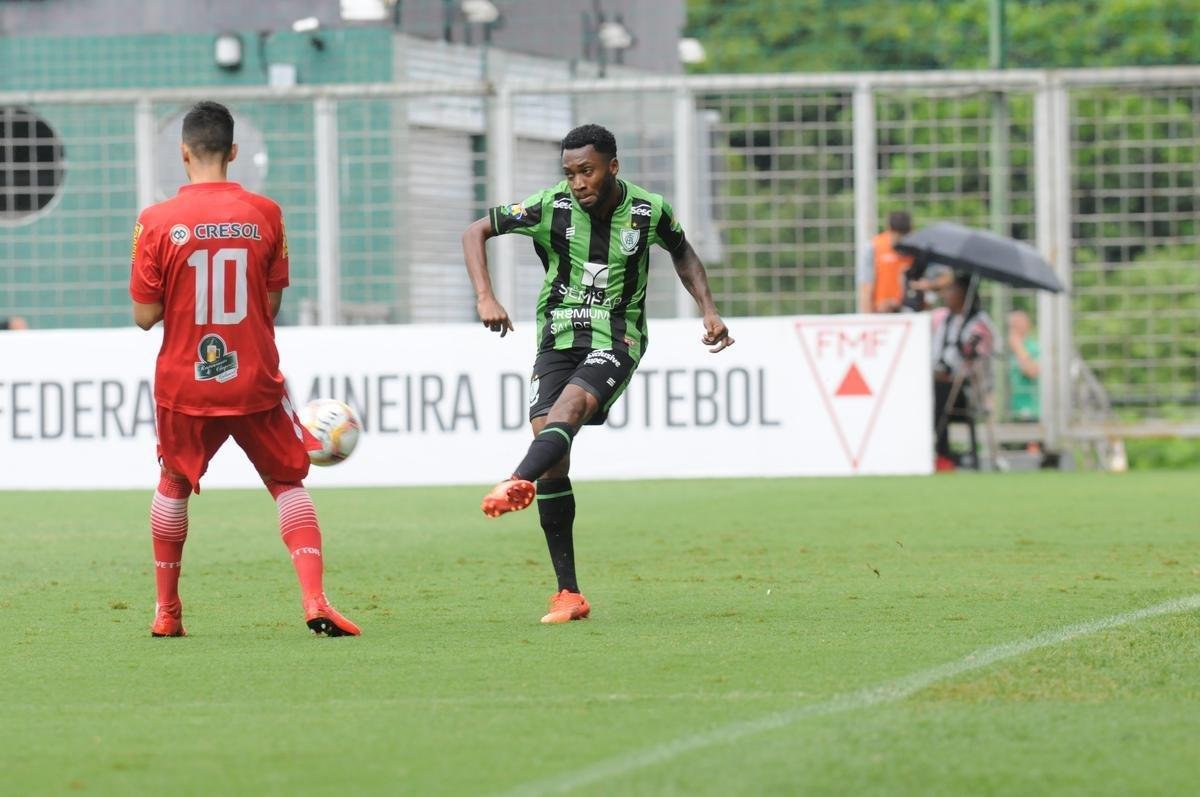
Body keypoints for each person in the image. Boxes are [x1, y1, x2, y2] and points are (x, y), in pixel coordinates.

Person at [461, 123, 734, 624]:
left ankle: (515, 479)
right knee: (551, 446)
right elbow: (475, 230)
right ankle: (568, 594)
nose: (577, 182)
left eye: (586, 171)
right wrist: (484, 294)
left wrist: (709, 310)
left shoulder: (649, 211)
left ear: (613, 166)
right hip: (556, 338)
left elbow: (683, 251)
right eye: (569, 173)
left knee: (572, 409)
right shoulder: (550, 207)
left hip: (616, 337)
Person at [129, 101, 359, 638]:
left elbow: (144, 317)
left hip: (185, 384)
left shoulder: (156, 221)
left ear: (183, 153)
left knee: (172, 483)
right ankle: (315, 599)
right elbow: (271, 306)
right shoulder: (265, 214)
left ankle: (167, 611)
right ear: (233, 153)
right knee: (288, 481)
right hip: (254, 377)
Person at [930, 271, 995, 470]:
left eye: (952, 290)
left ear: (965, 294)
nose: (947, 294)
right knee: (927, 389)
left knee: (938, 391)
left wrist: (955, 371)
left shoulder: (980, 324)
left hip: (967, 390)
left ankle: (943, 456)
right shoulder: (944, 319)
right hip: (941, 381)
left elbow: (977, 363)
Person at [856, 210, 914, 313]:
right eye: (897, 235)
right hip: (880, 312)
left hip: (910, 311)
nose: (901, 240)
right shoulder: (875, 247)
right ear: (889, 229)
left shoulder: (917, 249)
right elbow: (866, 286)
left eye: (904, 235)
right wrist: (867, 316)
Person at [1006, 310, 1040, 422]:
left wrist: (1018, 347)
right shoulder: (1004, 348)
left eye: (1018, 323)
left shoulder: (1033, 348)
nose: (1014, 327)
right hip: (1008, 412)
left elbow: (1032, 372)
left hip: (1030, 412)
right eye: (1012, 324)